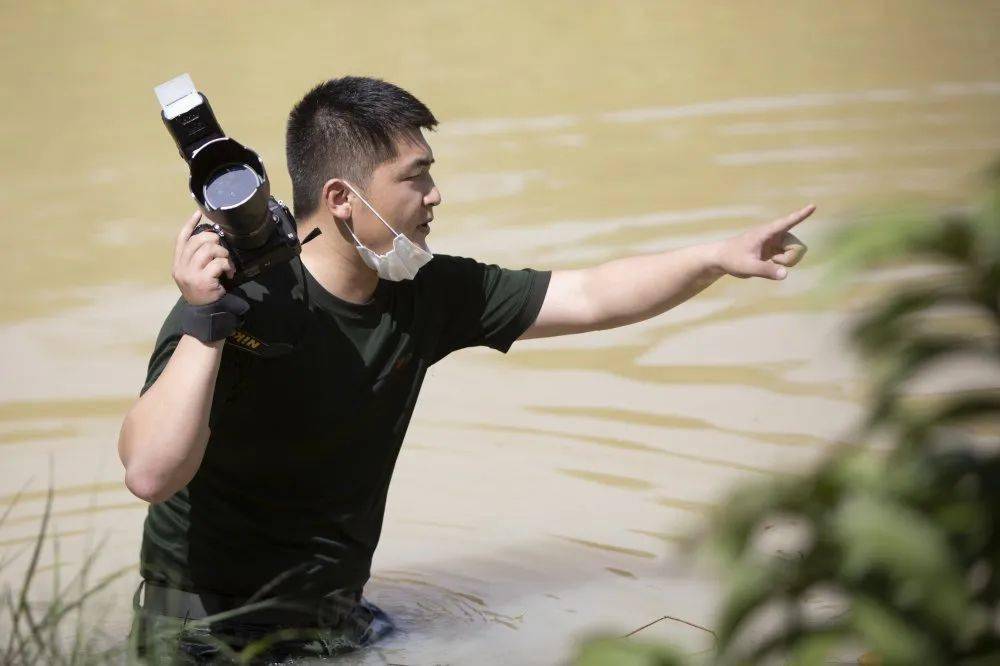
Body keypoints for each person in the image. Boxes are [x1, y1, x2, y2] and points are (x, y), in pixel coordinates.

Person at [118, 76, 812, 662]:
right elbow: (150, 473)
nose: (436, 196)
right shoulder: (231, 303)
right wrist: (208, 321)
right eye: (414, 178)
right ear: (340, 200)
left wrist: (714, 257)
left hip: (331, 623)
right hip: (201, 638)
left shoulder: (423, 293)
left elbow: (592, 294)